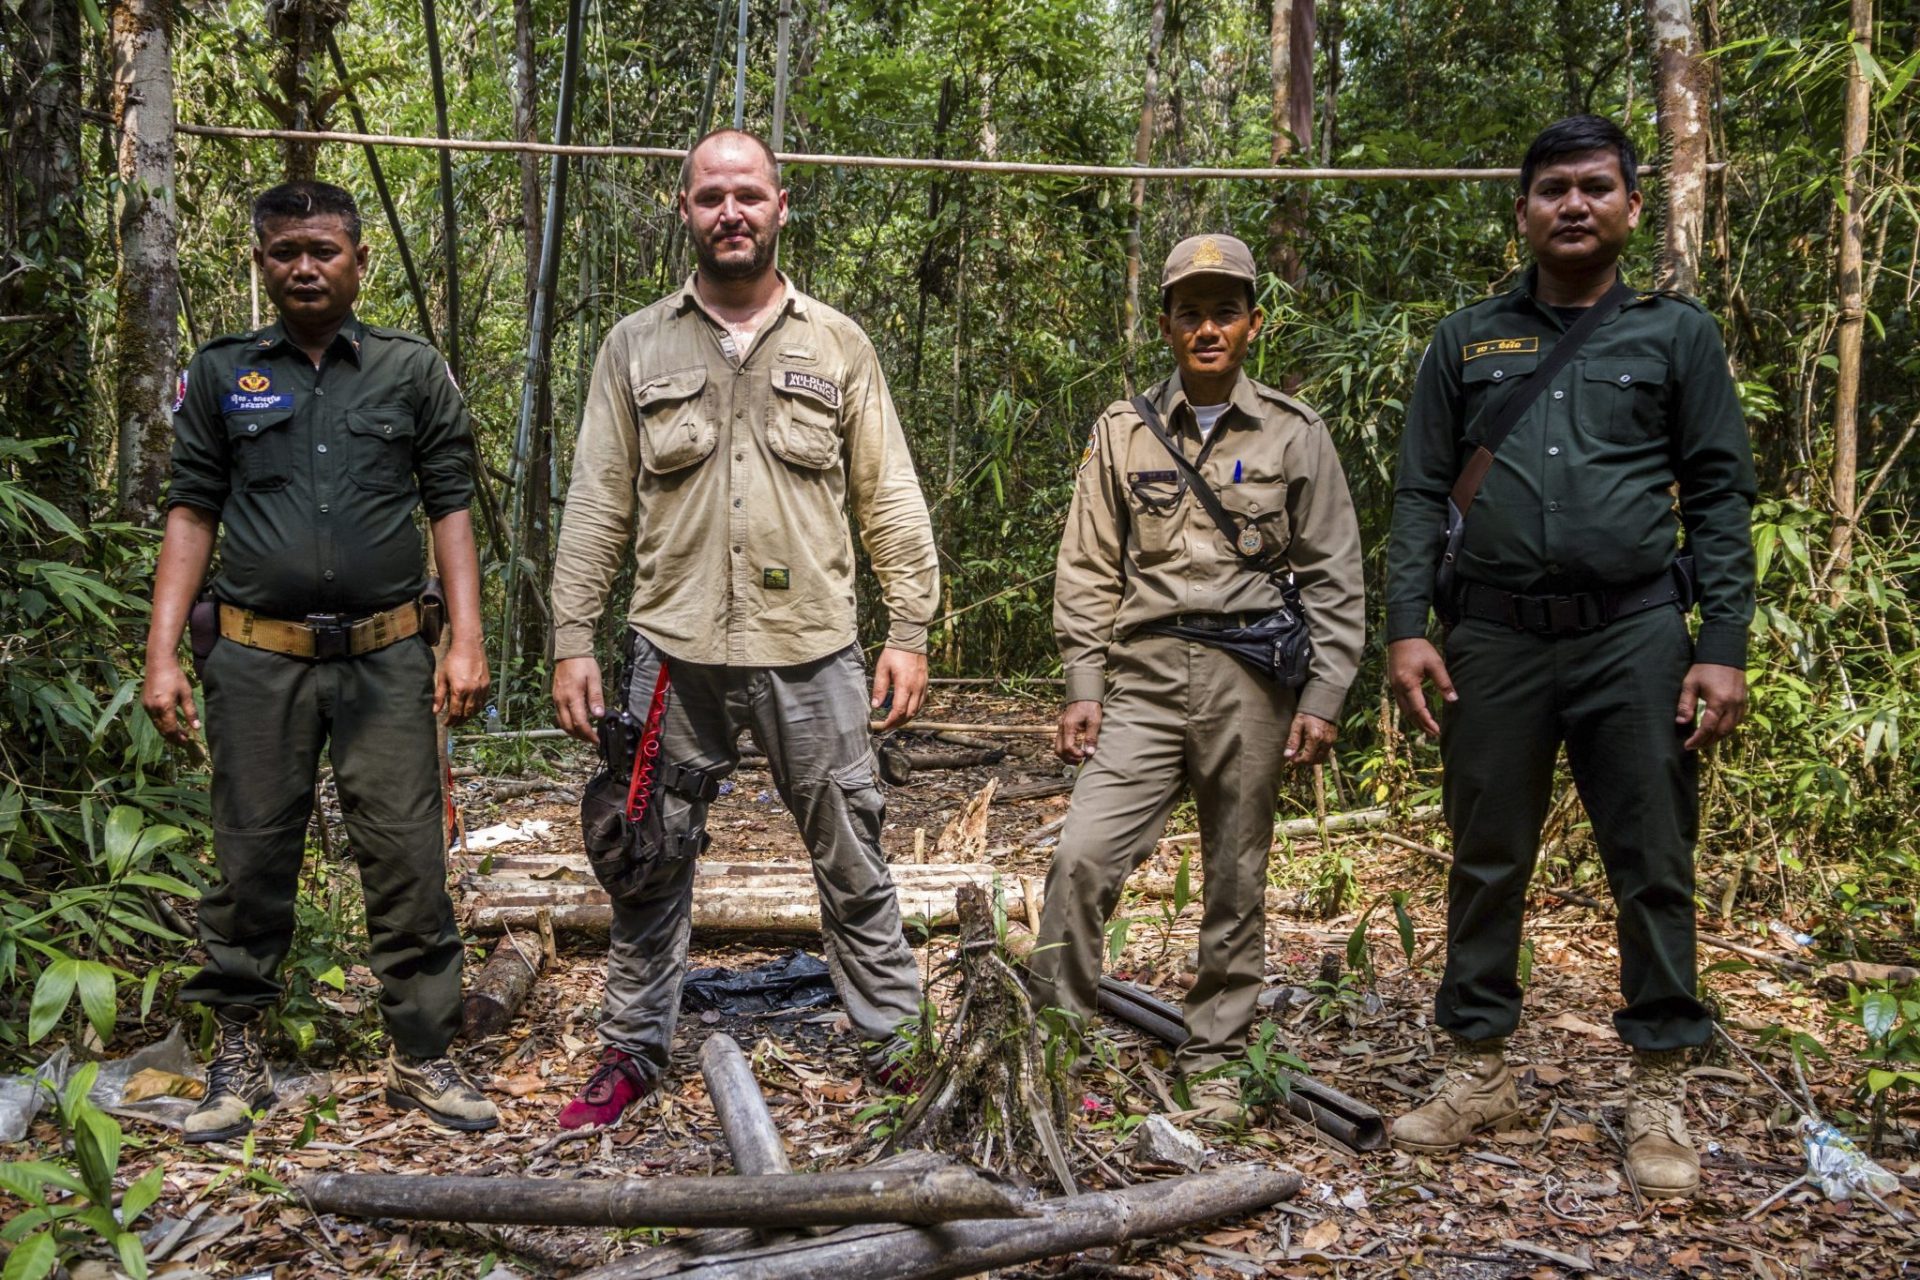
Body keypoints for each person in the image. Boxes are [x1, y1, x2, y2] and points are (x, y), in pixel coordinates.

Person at [1383, 115, 1756, 1198]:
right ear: (1524, 211)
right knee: (1485, 851)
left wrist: (1719, 644)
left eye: (1597, 186)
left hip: (1636, 631)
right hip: (1492, 636)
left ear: (1632, 206)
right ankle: (1480, 1062)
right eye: (1553, 189)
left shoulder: (1673, 337)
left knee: (1651, 854)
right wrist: (1407, 625)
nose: (1575, 205)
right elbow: (1417, 492)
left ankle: (1656, 1083)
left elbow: (1721, 494)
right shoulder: (1464, 341)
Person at [547, 129, 940, 1129]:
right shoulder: (636, 345)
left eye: (749, 195)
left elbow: (886, 490)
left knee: (854, 852)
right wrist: (571, 635)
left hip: (812, 649)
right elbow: (597, 499)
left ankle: (895, 1042)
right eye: (711, 195)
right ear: (683, 209)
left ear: (780, 206)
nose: (732, 212)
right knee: (647, 858)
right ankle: (634, 1045)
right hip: (672, 655)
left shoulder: (836, 343)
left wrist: (910, 626)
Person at [143, 180, 496, 1142]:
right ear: (262, 263)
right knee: (251, 854)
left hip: (388, 657)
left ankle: (424, 1054)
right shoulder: (222, 374)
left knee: (406, 853)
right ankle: (239, 1053)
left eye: (324, 250)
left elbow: (450, 504)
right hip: (257, 660)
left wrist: (464, 638)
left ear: (358, 261)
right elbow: (192, 509)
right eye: (286, 250)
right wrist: (162, 652)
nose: (305, 266)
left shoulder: (410, 371)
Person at [1027, 233, 1366, 1124]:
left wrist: (1325, 696)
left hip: (1251, 681)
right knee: (1081, 857)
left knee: (1236, 875)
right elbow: (1089, 565)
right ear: (1168, 326)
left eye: (1225, 312)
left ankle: (1213, 1056)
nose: (1208, 328)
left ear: (1253, 323)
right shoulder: (1123, 430)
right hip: (1141, 679)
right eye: (1190, 313)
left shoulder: (1296, 433)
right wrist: (1082, 684)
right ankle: (1054, 1050)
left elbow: (1335, 572)